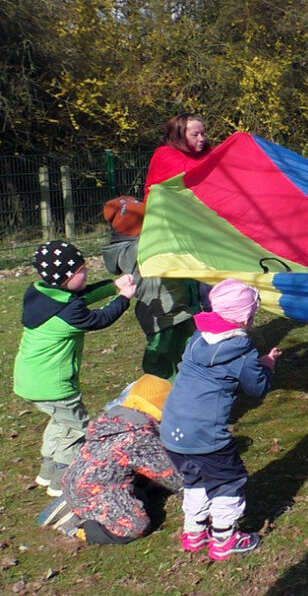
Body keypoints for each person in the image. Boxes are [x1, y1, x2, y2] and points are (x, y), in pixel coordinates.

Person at [160, 279, 282, 561]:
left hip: (171, 429)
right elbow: (257, 388)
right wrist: (268, 366)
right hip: (206, 435)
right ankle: (224, 538)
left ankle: (194, 532)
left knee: (195, 479)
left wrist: (256, 363)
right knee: (228, 481)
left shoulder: (196, 338)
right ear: (246, 317)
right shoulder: (241, 349)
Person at [14, 240, 137, 496]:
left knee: (61, 422)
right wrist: (123, 298)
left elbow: (81, 296)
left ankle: (47, 471)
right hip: (54, 385)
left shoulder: (40, 293)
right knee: (81, 429)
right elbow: (99, 318)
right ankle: (64, 482)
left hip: (30, 379)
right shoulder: (68, 314)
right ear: (64, 277)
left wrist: (112, 286)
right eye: (81, 271)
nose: (86, 273)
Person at [37, 375, 184, 544]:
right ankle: (79, 529)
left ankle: (72, 503)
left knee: (145, 484)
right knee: (135, 525)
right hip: (98, 491)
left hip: (77, 479)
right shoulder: (139, 439)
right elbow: (173, 476)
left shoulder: (114, 420)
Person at [101, 195, 200, 379]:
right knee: (161, 352)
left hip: (177, 305)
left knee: (188, 346)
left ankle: (188, 381)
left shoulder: (141, 242)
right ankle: (156, 387)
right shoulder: (131, 251)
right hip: (160, 312)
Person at [143, 113, 211, 200]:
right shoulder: (165, 154)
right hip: (167, 208)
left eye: (202, 134)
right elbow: (193, 172)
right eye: (195, 135)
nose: (201, 139)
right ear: (180, 136)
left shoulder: (206, 152)